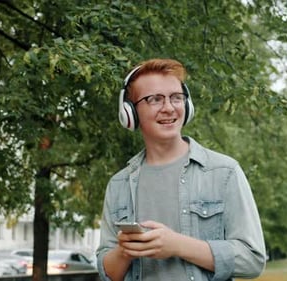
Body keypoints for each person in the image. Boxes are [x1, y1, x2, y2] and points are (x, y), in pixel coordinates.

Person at [96, 58, 266, 281]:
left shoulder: (224, 173)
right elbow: (108, 272)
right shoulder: (119, 184)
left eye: (176, 97)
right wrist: (124, 251)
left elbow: (252, 260)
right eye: (154, 99)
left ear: (187, 105)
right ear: (130, 113)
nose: (168, 107)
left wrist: (177, 245)